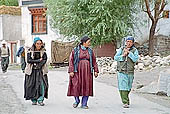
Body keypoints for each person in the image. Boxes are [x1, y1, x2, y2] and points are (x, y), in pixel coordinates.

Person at [67, 36, 99, 109]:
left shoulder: (90, 51)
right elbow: (71, 60)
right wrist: (71, 70)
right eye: (88, 42)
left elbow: (94, 61)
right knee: (76, 85)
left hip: (87, 71)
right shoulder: (75, 50)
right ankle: (77, 100)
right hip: (77, 70)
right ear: (84, 43)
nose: (89, 43)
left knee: (86, 86)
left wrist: (96, 70)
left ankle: (84, 103)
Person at [114, 36, 139, 108]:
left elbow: (135, 59)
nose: (128, 43)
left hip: (130, 71)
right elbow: (116, 57)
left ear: (133, 43)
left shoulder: (134, 50)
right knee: (123, 86)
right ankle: (125, 101)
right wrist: (123, 55)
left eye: (130, 42)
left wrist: (129, 53)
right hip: (121, 71)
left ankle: (126, 98)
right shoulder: (121, 49)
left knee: (128, 87)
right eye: (127, 41)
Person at [24, 37, 48, 106]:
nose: (39, 45)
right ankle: (33, 99)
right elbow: (29, 60)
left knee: (42, 85)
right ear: (34, 44)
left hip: (41, 70)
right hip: (32, 71)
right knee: (32, 85)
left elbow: (44, 59)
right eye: (37, 44)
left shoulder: (43, 51)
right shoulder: (30, 51)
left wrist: (39, 65)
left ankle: (40, 99)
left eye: (40, 44)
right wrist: (37, 61)